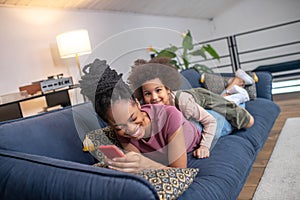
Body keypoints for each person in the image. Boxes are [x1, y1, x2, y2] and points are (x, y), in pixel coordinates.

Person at [79, 59, 204, 173]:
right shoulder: (122, 130)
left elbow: (179, 170)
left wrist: (146, 164)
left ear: (138, 103)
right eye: (119, 127)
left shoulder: (170, 115)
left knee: (217, 120)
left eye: (133, 119)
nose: (131, 129)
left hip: (196, 133)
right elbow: (137, 165)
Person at [127, 58, 254, 148]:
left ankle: (238, 86)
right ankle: (233, 84)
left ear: (168, 88)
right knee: (225, 97)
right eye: (148, 94)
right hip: (190, 100)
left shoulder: (184, 103)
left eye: (158, 90)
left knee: (244, 119)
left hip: (202, 98)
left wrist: (204, 146)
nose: (154, 97)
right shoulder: (148, 109)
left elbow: (210, 121)